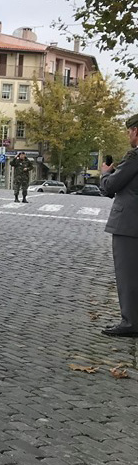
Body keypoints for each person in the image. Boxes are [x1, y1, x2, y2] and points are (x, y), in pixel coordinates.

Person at [99, 114, 138, 337]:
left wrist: (106, 173)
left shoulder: (134, 157)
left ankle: (131, 322)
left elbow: (111, 186)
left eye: (129, 131)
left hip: (130, 223)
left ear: (136, 131)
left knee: (128, 274)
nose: (128, 135)